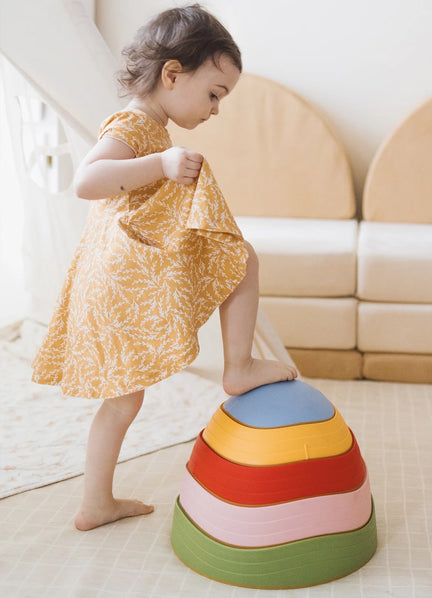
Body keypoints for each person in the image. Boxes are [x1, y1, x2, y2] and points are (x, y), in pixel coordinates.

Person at [30, 4, 297, 531]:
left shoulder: (152, 124)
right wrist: (162, 164)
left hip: (129, 271)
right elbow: (87, 181)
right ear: (173, 74)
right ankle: (238, 368)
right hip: (119, 277)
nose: (216, 109)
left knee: (123, 402)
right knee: (239, 258)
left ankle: (96, 504)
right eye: (215, 94)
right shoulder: (133, 124)